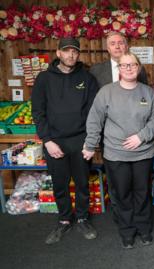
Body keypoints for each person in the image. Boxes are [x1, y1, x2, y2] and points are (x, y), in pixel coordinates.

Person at [83, 52, 154, 249]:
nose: (129, 68)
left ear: (139, 67)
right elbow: (94, 120)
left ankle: (143, 229)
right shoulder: (106, 92)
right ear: (119, 68)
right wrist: (90, 145)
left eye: (133, 64)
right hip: (116, 155)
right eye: (124, 65)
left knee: (142, 194)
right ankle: (127, 231)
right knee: (122, 194)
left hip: (143, 154)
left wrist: (141, 136)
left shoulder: (148, 93)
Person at [31, 37, 99, 245]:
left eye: (75, 51)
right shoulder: (43, 79)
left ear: (78, 54)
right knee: (60, 184)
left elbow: (93, 113)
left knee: (81, 183)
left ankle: (82, 218)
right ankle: (63, 219)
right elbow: (38, 112)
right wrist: (48, 141)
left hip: (80, 139)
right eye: (67, 51)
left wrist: (90, 142)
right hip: (55, 141)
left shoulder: (87, 79)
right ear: (58, 53)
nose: (71, 55)